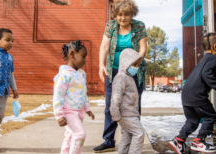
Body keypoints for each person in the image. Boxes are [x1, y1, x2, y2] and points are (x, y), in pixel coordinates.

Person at [94, 0, 147, 152]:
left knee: (132, 106)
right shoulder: (111, 26)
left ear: (132, 14)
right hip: (114, 71)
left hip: (133, 72)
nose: (123, 18)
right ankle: (108, 140)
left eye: (126, 15)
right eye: (120, 15)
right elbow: (104, 46)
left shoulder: (139, 26)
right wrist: (101, 65)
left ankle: (132, 135)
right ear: (115, 15)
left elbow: (143, 48)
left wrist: (135, 64)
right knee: (111, 105)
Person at [169, 33, 216, 154]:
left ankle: (178, 140)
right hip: (197, 96)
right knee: (210, 116)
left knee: (192, 121)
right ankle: (199, 141)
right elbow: (207, 74)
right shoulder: (213, 59)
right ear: (215, 46)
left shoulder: (204, 59)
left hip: (186, 95)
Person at [53, 40, 95, 154]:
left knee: (70, 136)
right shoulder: (64, 75)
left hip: (79, 112)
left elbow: (83, 92)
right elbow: (58, 95)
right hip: (68, 112)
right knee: (80, 134)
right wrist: (59, 115)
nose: (85, 60)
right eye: (83, 56)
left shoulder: (81, 74)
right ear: (72, 54)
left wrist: (87, 109)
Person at [110, 48, 145, 154]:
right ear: (126, 62)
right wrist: (115, 114)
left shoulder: (129, 77)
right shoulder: (121, 77)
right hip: (126, 114)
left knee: (127, 137)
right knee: (139, 133)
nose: (136, 68)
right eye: (134, 65)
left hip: (130, 114)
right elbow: (116, 97)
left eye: (137, 65)